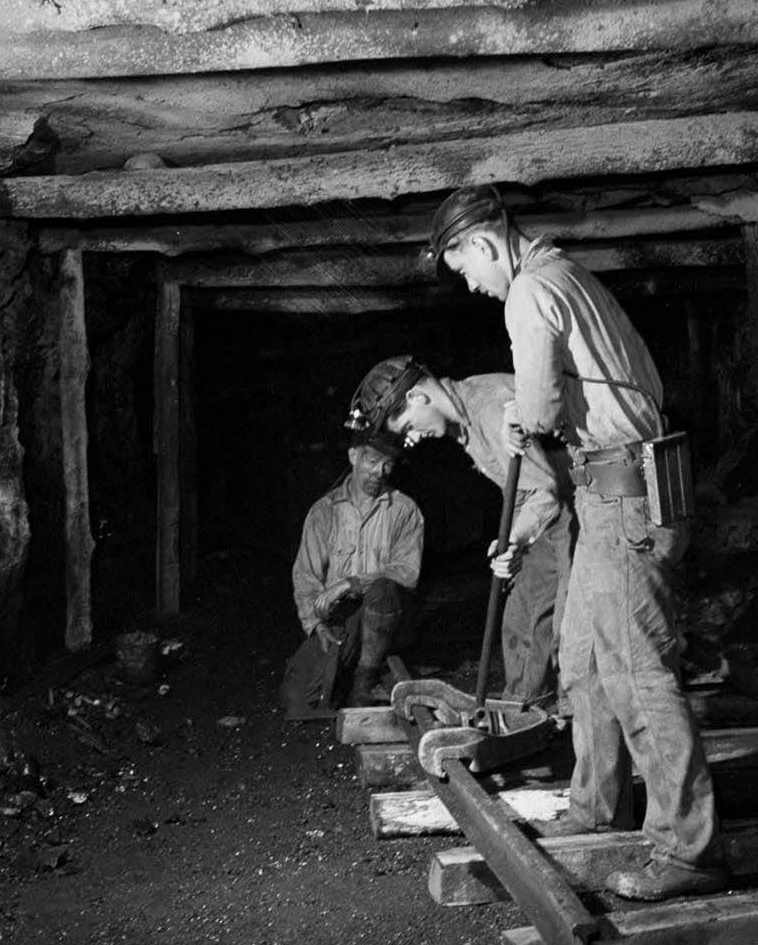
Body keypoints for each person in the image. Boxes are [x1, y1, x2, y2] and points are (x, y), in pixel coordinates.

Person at [429, 183, 726, 902]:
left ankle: (687, 848)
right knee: (586, 661)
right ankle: (598, 807)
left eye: (464, 267)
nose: (471, 283)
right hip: (610, 492)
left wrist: (515, 427)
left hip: (626, 494)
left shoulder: (529, 290)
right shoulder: (567, 274)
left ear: (482, 241)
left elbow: (538, 407)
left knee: (637, 671)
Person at [346, 355, 572, 706]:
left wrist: (515, 538)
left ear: (417, 398)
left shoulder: (489, 408)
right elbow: (521, 488)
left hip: (579, 505)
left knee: (565, 630)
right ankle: (524, 710)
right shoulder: (465, 414)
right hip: (549, 514)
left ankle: (551, 712)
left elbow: (545, 491)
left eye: (408, 427)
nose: (414, 438)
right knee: (522, 620)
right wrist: (513, 541)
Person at [279, 430, 423, 718]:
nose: (379, 472)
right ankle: (346, 672)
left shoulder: (405, 510)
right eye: (372, 461)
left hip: (390, 619)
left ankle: (363, 683)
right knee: (297, 699)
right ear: (353, 456)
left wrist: (352, 583)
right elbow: (306, 576)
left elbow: (407, 573)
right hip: (343, 620)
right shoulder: (324, 511)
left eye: (388, 464)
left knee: (382, 590)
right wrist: (314, 624)